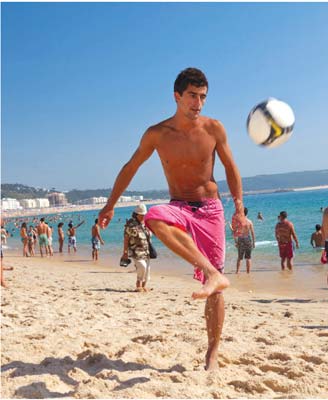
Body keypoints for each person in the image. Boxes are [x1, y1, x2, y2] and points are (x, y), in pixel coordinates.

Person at [99, 67, 243, 371]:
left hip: (211, 209)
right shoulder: (158, 134)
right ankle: (211, 273)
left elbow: (231, 168)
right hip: (179, 205)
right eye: (192, 95)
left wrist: (239, 208)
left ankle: (212, 352)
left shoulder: (214, 128)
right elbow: (130, 167)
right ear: (177, 96)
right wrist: (110, 205)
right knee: (153, 217)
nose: (198, 103)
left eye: (203, 97)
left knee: (215, 289)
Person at [120, 204, 151, 291]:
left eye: (144, 215)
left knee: (147, 270)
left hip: (146, 250)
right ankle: (138, 284)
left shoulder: (145, 223)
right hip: (136, 251)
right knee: (142, 266)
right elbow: (126, 239)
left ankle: (143, 286)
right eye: (142, 215)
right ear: (136, 214)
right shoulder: (130, 225)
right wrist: (125, 253)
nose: (143, 217)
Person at [232, 207, 255, 274]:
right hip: (248, 239)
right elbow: (252, 233)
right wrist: (254, 242)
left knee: (239, 257)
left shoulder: (239, 222)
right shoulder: (250, 222)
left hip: (241, 239)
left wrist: (235, 241)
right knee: (248, 257)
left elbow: (234, 232)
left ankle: (237, 271)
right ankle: (248, 273)